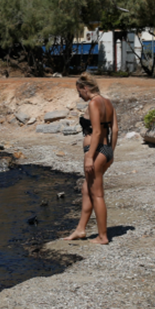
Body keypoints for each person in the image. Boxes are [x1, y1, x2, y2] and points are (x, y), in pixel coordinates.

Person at [64, 73, 118, 245]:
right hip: (106, 150)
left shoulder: (94, 103)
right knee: (86, 190)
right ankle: (81, 229)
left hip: (95, 152)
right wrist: (111, 152)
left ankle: (103, 236)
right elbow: (114, 130)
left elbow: (95, 131)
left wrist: (89, 157)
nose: (79, 95)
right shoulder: (108, 102)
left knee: (97, 194)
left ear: (85, 88)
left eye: (79, 91)